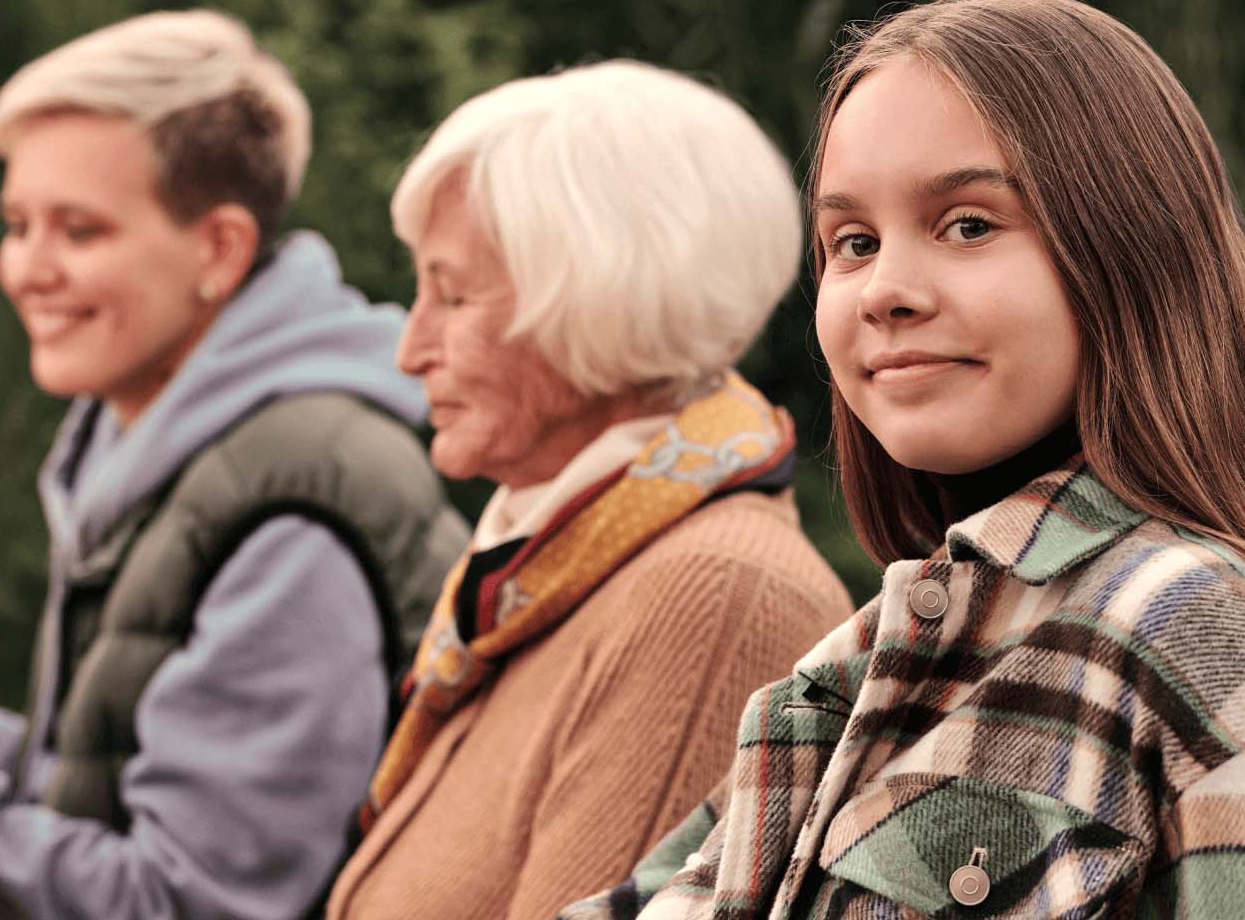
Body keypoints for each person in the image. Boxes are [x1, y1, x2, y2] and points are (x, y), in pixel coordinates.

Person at [560, 0, 1245, 919]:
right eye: (854, 242)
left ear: (1131, 252)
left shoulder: (1203, 637)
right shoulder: (860, 664)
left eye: (969, 225)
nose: (885, 292)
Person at [0, 10, 469, 919]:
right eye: (17, 224)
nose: (26, 269)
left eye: (80, 230)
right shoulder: (147, 440)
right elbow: (89, 771)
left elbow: (191, 899)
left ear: (218, 249)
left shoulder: (292, 507)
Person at [325, 60, 855, 920]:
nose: (409, 347)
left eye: (453, 296)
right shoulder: (542, 570)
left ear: (601, 302)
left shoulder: (712, 596)